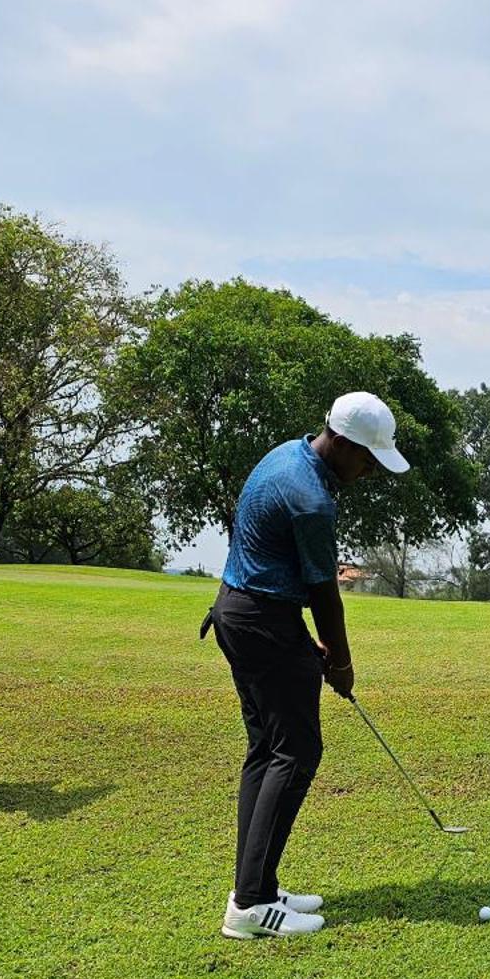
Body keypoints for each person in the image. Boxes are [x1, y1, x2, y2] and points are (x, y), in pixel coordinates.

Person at [205, 391, 409, 939]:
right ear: (340, 442)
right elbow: (324, 593)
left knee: (269, 751)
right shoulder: (312, 499)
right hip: (262, 621)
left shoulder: (287, 455)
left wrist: (300, 644)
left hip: (247, 614)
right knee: (295, 752)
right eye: (366, 458)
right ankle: (249, 906)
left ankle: (259, 887)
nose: (369, 470)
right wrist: (341, 662)